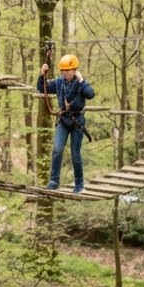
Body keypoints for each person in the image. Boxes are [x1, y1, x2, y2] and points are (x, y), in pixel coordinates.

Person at [37, 54, 96, 193]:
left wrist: (81, 80)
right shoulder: (59, 82)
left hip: (77, 121)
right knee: (57, 150)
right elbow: (42, 88)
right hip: (63, 120)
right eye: (63, 71)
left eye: (68, 70)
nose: (65, 73)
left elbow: (90, 94)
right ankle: (54, 180)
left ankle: (79, 184)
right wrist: (43, 75)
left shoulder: (81, 83)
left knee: (75, 154)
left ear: (75, 70)